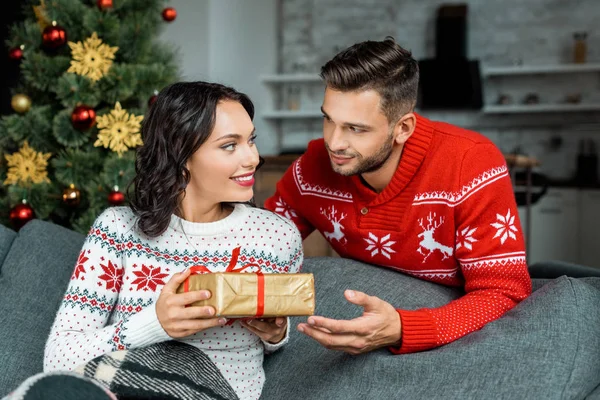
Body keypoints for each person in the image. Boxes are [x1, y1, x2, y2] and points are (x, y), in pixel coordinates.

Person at [265, 37, 531, 355]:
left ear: (402, 129)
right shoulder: (312, 166)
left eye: (356, 129)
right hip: (357, 332)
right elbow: (262, 246)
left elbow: (505, 290)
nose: (334, 142)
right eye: (328, 120)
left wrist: (404, 329)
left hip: (454, 332)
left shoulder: (470, 163)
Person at [44, 81, 304, 400]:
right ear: (181, 157)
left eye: (251, 140)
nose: (253, 158)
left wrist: (276, 334)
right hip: (116, 386)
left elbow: (268, 346)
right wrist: (156, 323)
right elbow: (58, 359)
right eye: (229, 145)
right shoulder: (117, 230)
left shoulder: (276, 237)